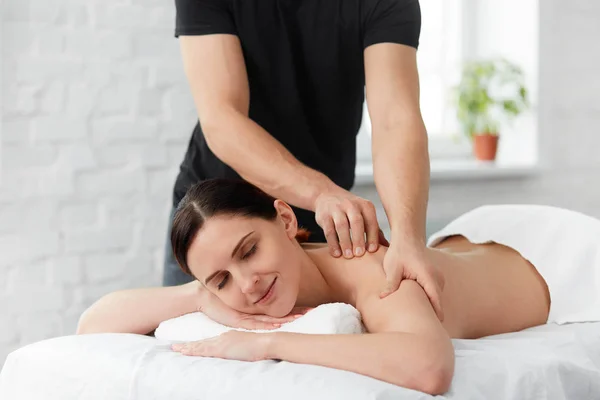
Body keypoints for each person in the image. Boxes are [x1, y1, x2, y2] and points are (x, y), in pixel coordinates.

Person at [78, 179, 600, 395]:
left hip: (561, 260)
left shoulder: (368, 266)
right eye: (221, 279)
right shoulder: (228, 289)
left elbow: (430, 367)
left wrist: (265, 342)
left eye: (248, 251)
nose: (247, 283)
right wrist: (201, 294)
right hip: (466, 240)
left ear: (285, 219)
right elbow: (94, 324)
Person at [165, 0, 442, 318]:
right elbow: (222, 119)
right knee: (187, 357)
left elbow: (396, 119)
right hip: (210, 228)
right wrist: (321, 193)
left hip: (320, 219)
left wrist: (408, 237)